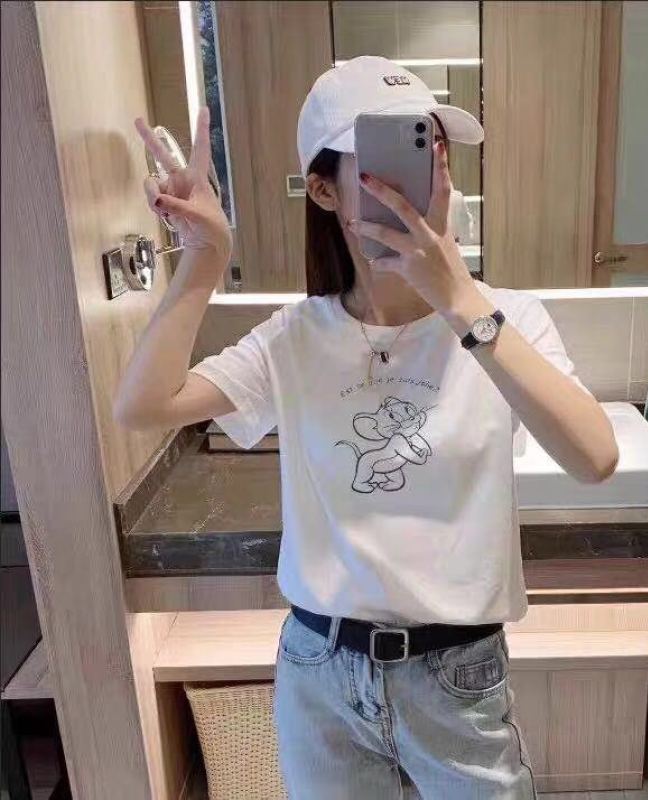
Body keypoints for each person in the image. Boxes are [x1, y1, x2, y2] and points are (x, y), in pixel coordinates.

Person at [117, 55, 618, 800]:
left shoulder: (506, 319)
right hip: (319, 671)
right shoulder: (295, 337)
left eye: (431, 152)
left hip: (458, 674)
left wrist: (461, 300)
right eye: (389, 160)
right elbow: (142, 405)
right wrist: (203, 260)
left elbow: (595, 457)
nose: (422, 183)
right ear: (324, 189)